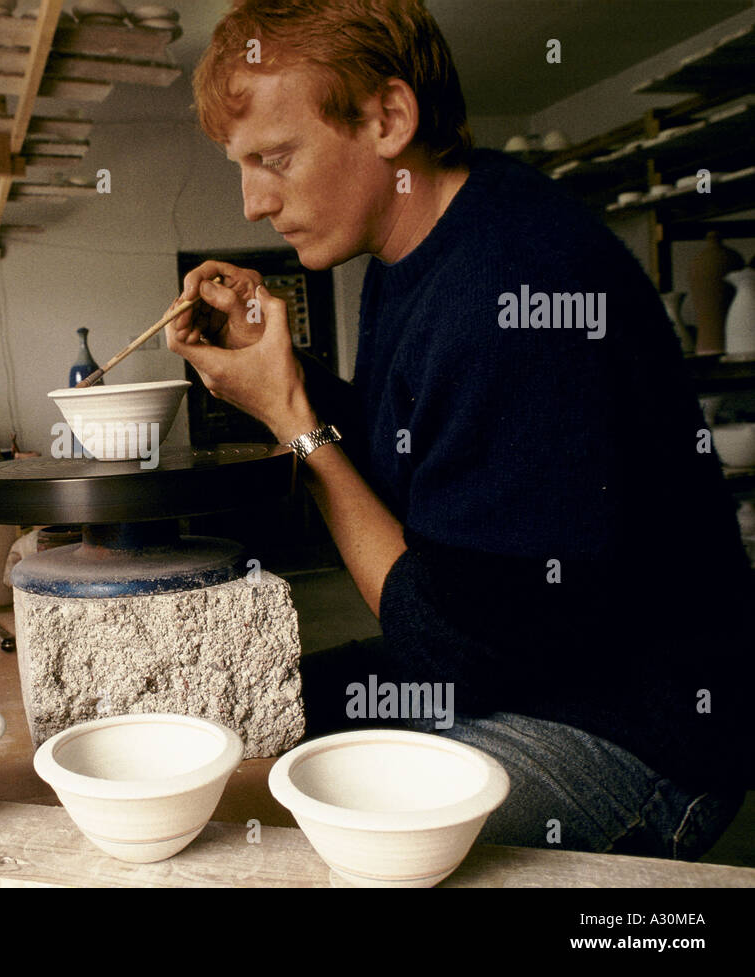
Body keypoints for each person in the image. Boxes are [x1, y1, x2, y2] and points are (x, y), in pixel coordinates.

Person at [166, 0, 753, 859]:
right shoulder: (420, 244)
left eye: (276, 158)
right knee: (235, 714)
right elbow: (416, 447)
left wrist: (290, 417)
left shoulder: (514, 283)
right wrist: (289, 376)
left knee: (283, 834)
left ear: (388, 118)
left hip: (638, 733)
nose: (254, 203)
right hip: (518, 663)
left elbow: (450, 643)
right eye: (242, 167)